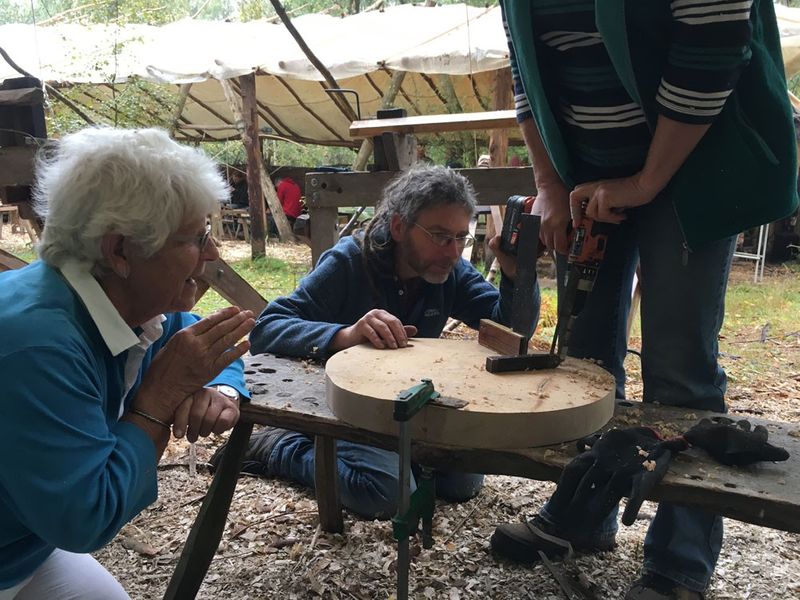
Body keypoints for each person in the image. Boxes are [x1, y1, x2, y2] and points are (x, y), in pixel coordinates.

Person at [493, 2, 798, 600]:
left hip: (692, 166)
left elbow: (713, 47)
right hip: (585, 174)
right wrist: (550, 183)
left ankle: (680, 564)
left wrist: (645, 182)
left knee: (679, 372)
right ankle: (584, 514)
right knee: (585, 364)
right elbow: (526, 68)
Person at [0, 127, 256, 599]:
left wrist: (219, 386)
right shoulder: (36, 345)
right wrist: (160, 396)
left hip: (25, 547)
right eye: (196, 237)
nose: (213, 253)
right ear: (119, 250)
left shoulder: (117, 298)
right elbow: (87, 519)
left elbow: (194, 335)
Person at [214, 165, 540, 519]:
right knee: (388, 496)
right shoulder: (350, 261)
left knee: (463, 483)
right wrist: (345, 336)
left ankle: (400, 461)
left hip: (408, 405)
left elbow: (512, 334)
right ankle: (279, 446)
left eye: (461, 237)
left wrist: (516, 274)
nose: (452, 252)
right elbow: (268, 328)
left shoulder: (451, 272)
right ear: (399, 227)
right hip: (345, 407)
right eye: (440, 236)